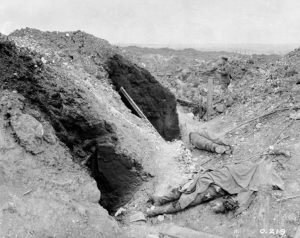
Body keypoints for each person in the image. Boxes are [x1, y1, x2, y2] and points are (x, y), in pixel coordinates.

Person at [146, 159, 283, 217]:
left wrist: (223, 206)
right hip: (212, 177)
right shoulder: (250, 167)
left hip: (217, 186)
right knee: (185, 187)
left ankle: (157, 211)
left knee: (190, 198)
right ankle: (160, 200)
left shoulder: (253, 180)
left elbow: (240, 200)